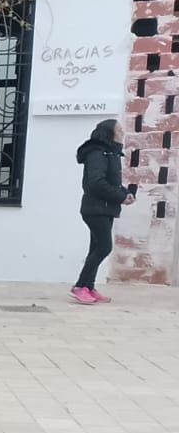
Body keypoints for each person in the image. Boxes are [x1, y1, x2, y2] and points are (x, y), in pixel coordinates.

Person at [72, 118, 133, 304]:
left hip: (105, 208)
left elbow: (112, 182)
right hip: (95, 208)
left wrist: (125, 194)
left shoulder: (111, 154)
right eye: (119, 129)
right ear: (109, 132)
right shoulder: (97, 154)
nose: (123, 132)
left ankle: (88, 287)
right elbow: (97, 183)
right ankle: (80, 286)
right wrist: (119, 197)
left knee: (95, 248)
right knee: (104, 247)